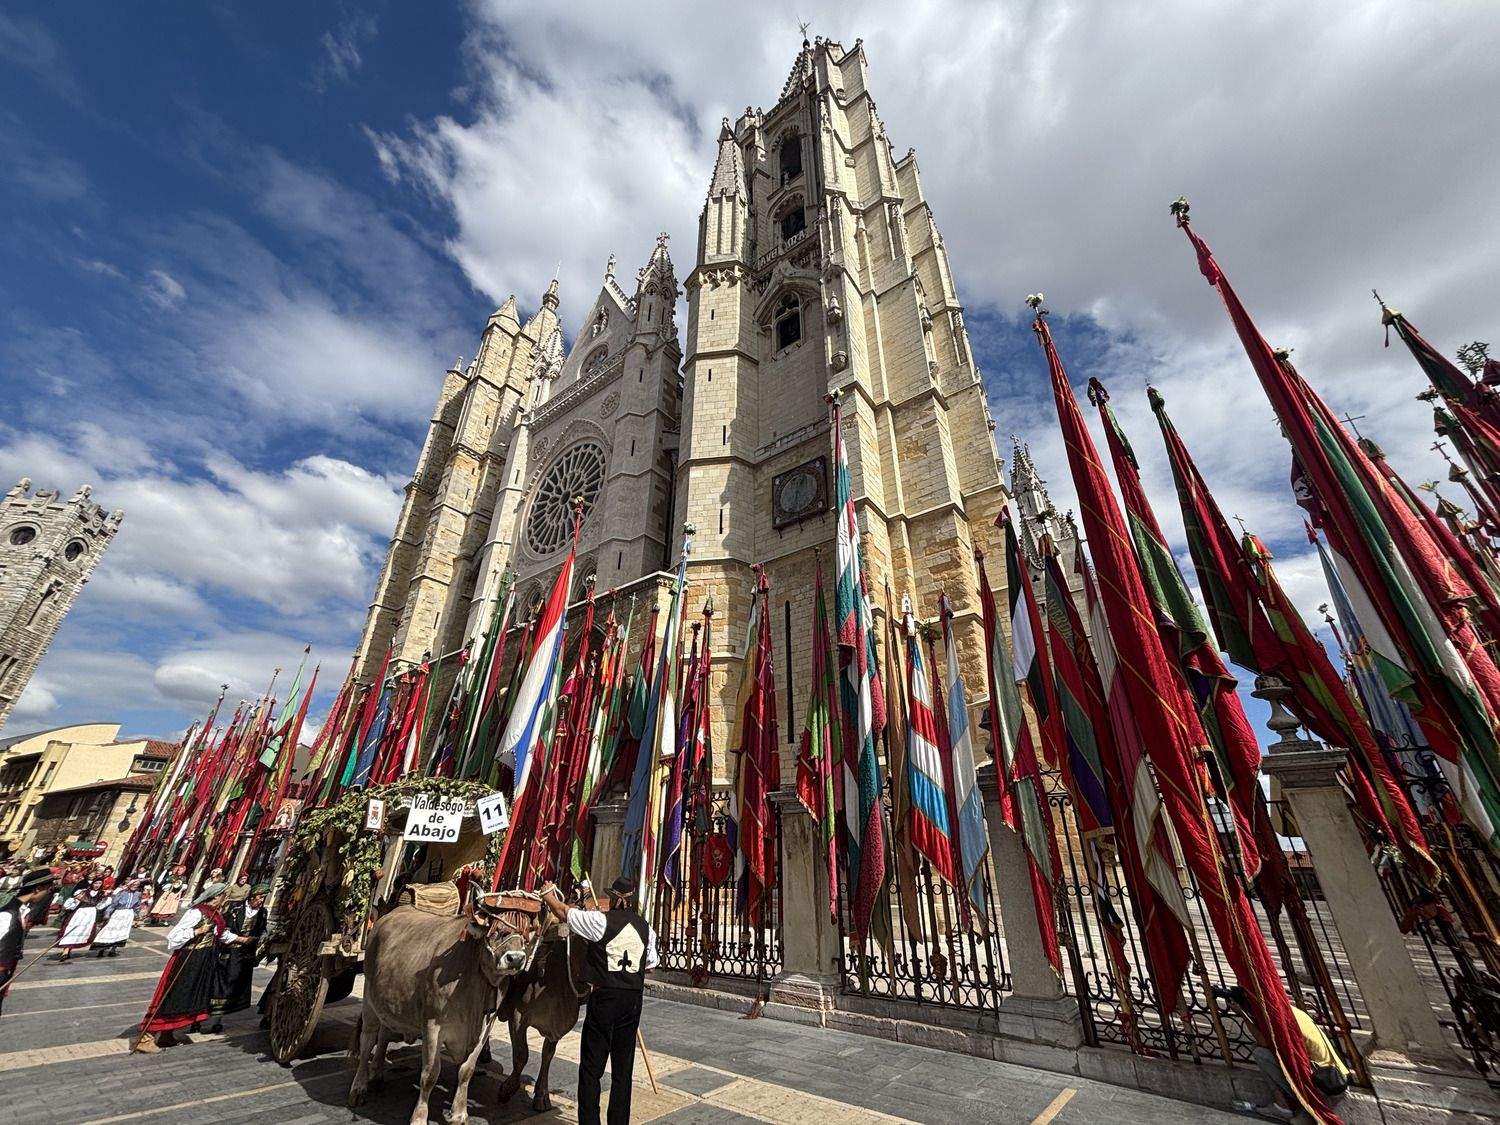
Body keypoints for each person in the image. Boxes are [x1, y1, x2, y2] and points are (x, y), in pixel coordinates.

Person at [539, 876, 657, 1125]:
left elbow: (562, 912)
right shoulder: (647, 928)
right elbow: (650, 966)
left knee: (592, 1068)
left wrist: (548, 893)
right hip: (632, 1001)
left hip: (605, 999)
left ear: (614, 898)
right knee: (623, 1072)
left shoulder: (599, 921)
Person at [134, 883, 251, 1052]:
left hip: (205, 960)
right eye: (223, 895)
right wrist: (197, 931)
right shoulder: (197, 912)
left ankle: (167, 1034)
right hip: (189, 959)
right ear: (215, 896)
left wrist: (243, 940)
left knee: (187, 996)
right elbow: (173, 937)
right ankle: (147, 1037)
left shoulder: (216, 915)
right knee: (175, 994)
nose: (225, 898)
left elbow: (221, 934)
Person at [1219, 985, 1351, 1123]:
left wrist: (1243, 1014)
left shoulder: (1279, 1019)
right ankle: (1282, 1104)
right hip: (1335, 1073)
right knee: (1262, 1050)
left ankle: (1290, 1103)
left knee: (1261, 1054)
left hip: (1325, 1081)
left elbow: (1263, 1042)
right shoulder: (1289, 1011)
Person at [209, 883, 268, 1031]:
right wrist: (242, 940)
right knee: (220, 985)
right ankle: (209, 1018)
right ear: (252, 896)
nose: (261, 901)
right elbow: (221, 931)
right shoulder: (235, 909)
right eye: (260, 897)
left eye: (264, 898)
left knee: (235, 986)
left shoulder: (262, 913)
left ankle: (219, 1018)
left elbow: (261, 931)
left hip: (245, 955)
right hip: (229, 952)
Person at [1, 868, 57, 1016]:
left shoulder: (21, 910)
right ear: (38, 889)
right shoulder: (7, 915)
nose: (47, 894)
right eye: (47, 889)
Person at [56, 878, 106, 962]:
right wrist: (76, 899)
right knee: (71, 930)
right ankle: (66, 951)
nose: (97, 885)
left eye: (99, 883)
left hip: (90, 915)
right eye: (96, 883)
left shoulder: (102, 894)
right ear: (92, 883)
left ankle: (68, 950)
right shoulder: (84, 891)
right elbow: (72, 902)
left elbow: (100, 906)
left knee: (82, 932)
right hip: (80, 913)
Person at [92, 879, 144, 957]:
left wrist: (137, 914)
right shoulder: (122, 893)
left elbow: (137, 906)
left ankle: (113, 949)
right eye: (133, 884)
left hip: (128, 914)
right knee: (110, 930)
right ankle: (101, 949)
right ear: (129, 885)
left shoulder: (138, 894)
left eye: (136, 885)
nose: (134, 886)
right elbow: (113, 904)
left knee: (122, 931)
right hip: (119, 912)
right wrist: (107, 913)